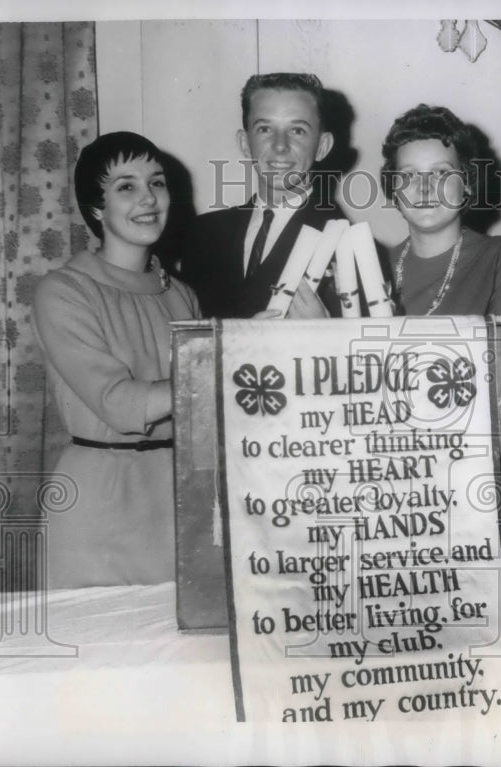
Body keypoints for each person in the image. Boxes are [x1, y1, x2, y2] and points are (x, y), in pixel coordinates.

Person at [33, 131, 199, 589]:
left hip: (177, 499)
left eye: (157, 182)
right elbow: (120, 403)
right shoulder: (64, 291)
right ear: (96, 208)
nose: (148, 198)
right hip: (100, 503)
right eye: (126, 186)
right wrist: (222, 360)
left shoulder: (182, 294)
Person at [179, 72, 346, 319]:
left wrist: (324, 333)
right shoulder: (203, 235)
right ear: (245, 143)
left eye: (297, 130)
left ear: (322, 146)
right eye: (265, 129)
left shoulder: (346, 243)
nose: (280, 145)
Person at [381, 104, 501, 316]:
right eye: (409, 174)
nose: (424, 187)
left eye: (441, 172)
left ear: (467, 183)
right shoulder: (373, 266)